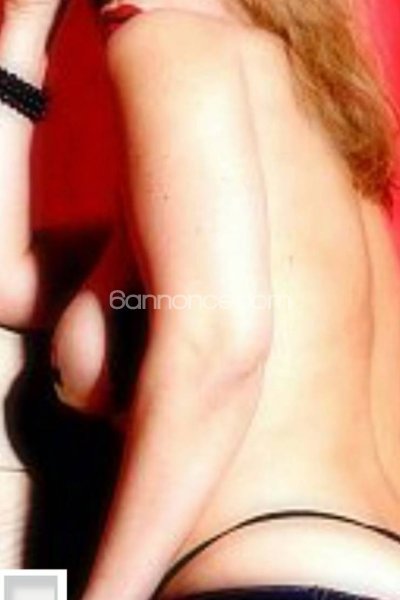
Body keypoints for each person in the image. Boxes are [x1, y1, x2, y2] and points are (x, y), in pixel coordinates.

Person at [1, 2, 400, 600]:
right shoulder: (313, 114)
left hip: (268, 581)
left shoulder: (169, 42)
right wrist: (22, 35)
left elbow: (218, 347)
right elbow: (11, 282)